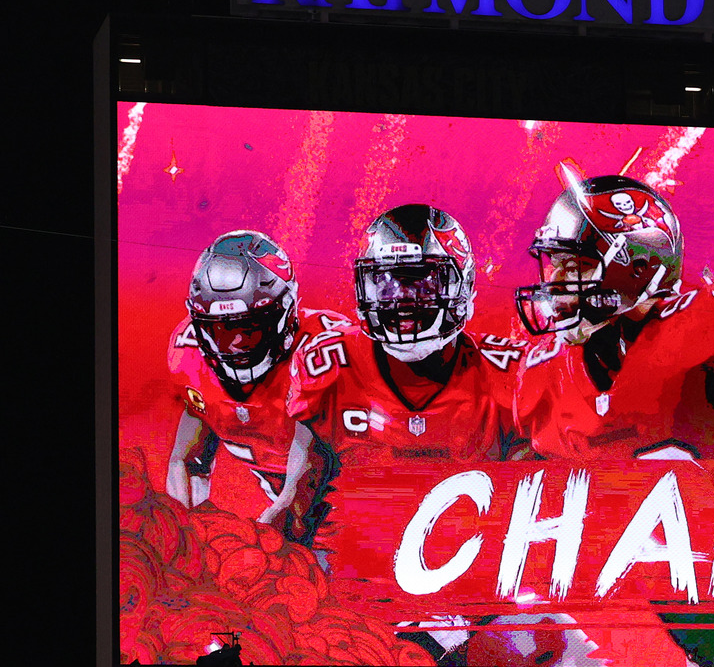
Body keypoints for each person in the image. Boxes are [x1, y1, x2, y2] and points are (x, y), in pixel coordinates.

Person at [513, 171, 714, 463]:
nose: (554, 281)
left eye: (573, 266)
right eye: (554, 263)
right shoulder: (544, 372)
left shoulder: (706, 327)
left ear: (637, 268)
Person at [273, 205, 530, 525]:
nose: (401, 301)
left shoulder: (510, 375)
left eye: (420, 281)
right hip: (356, 554)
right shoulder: (332, 366)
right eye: (386, 282)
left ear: (462, 286)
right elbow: (298, 499)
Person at [164, 230, 346, 541]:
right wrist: (188, 539)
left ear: (285, 314)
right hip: (297, 531)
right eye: (220, 330)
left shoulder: (320, 354)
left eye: (249, 329)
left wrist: (244, 555)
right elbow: (188, 462)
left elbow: (297, 504)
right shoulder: (190, 356)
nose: (234, 345)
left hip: (358, 526)